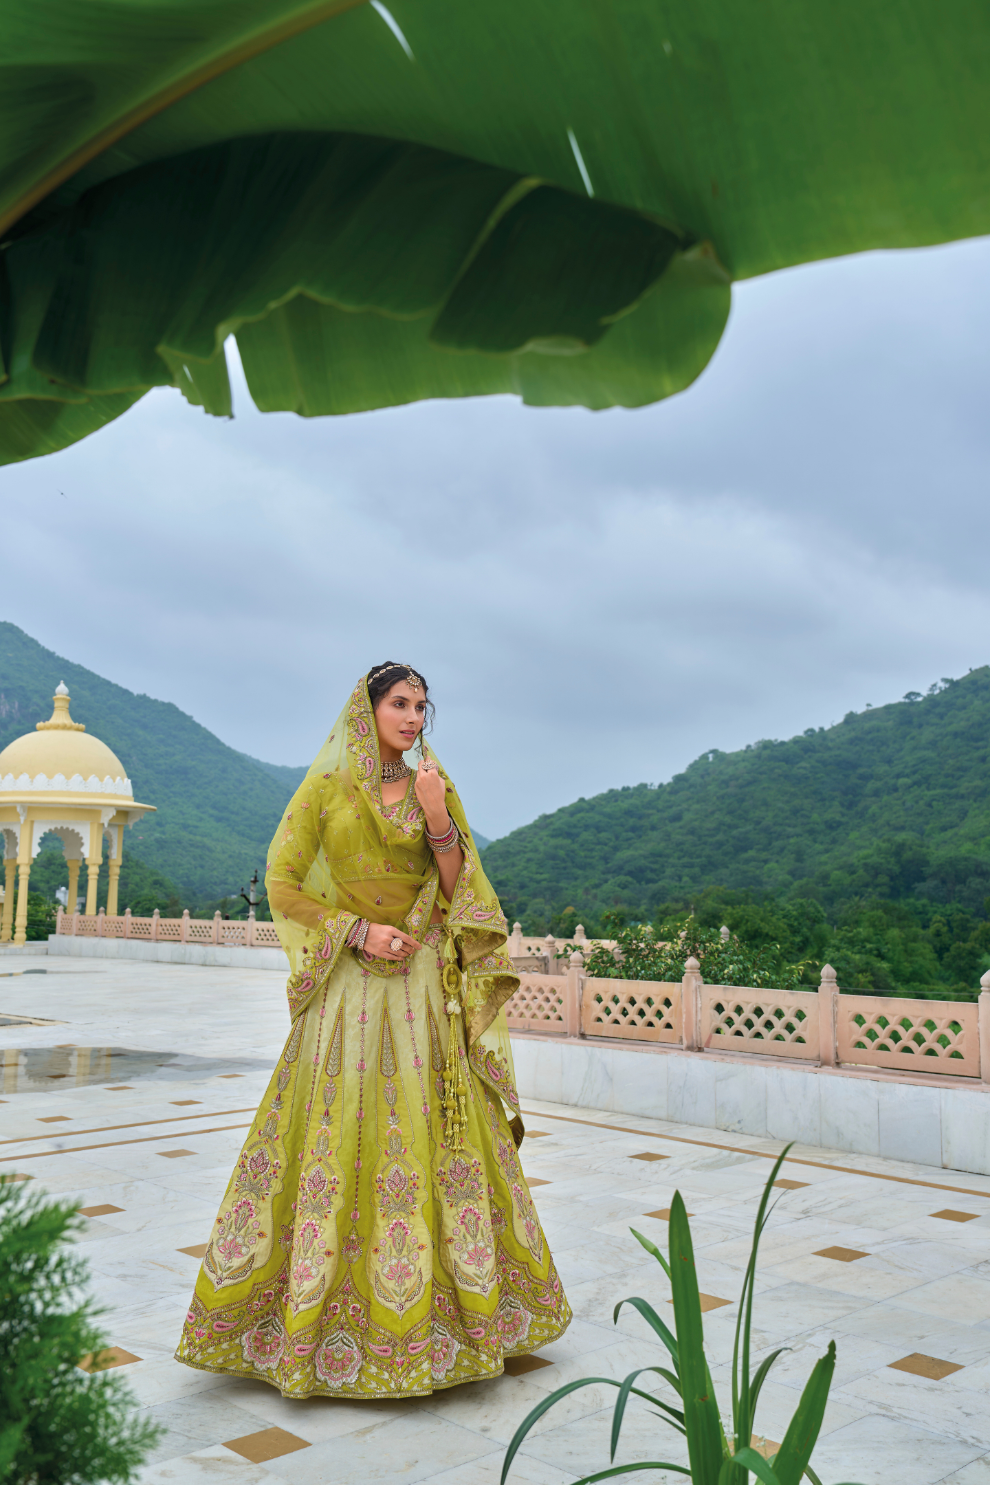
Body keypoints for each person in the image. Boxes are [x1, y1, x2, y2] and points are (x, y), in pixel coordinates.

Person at [175, 663, 571, 1398]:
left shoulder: (433, 784)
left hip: (423, 989)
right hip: (348, 993)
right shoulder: (326, 788)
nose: (415, 717)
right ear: (368, 710)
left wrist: (439, 818)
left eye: (423, 705)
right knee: (336, 1132)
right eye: (400, 702)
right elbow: (284, 880)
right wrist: (355, 929)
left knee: (432, 1134)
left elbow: (462, 892)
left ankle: (461, 1320)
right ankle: (307, 1323)